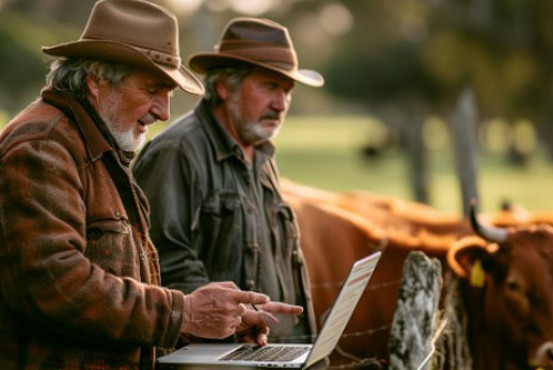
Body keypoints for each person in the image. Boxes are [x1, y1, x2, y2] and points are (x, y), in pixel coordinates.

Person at [0, 2, 303, 369]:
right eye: (152, 90)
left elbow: (122, 290)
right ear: (97, 80)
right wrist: (184, 313)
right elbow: (54, 283)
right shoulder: (44, 145)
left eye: (169, 95)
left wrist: (208, 323)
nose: (163, 112)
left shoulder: (96, 144)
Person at [133, 17, 324, 343]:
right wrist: (233, 322)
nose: (280, 104)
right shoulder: (178, 151)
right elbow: (161, 263)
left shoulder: (261, 155)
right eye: (269, 86)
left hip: (264, 356)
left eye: (287, 91)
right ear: (224, 86)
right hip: (205, 361)